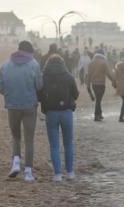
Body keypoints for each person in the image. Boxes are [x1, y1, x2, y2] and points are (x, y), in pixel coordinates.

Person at [0, 40, 43, 182]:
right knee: (29, 139)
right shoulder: (34, 64)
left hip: (12, 105)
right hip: (30, 105)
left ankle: (16, 162)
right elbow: (39, 86)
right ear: (30, 51)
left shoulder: (5, 65)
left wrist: (10, 94)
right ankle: (28, 172)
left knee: (15, 136)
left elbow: (0, 87)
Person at [38, 54, 79, 182]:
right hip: (66, 112)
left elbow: (39, 95)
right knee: (68, 143)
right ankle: (70, 172)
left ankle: (57, 175)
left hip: (51, 113)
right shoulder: (68, 76)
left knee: (54, 146)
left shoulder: (43, 77)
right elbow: (76, 94)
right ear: (62, 63)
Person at [87, 49, 114, 122]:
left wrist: (88, 85)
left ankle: (100, 114)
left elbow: (88, 75)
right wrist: (113, 82)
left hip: (94, 84)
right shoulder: (104, 62)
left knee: (98, 99)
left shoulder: (91, 63)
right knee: (98, 100)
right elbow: (108, 74)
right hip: (101, 84)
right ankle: (96, 115)